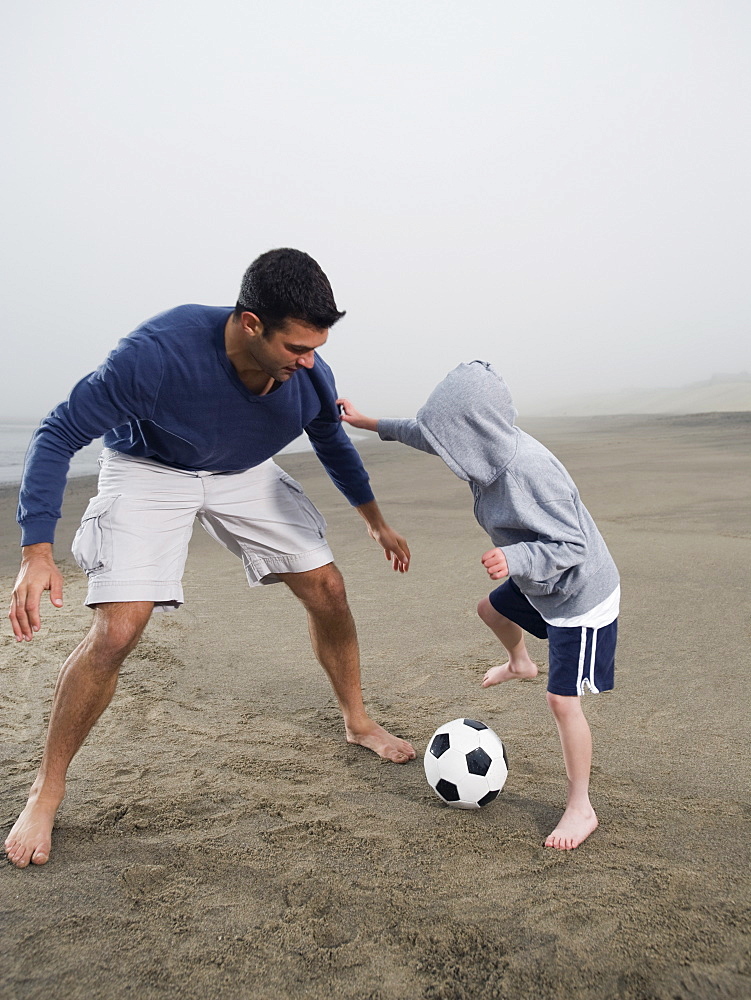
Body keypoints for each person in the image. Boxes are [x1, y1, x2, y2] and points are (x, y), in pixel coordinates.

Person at [5, 248, 416, 869]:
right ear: (250, 323)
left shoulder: (308, 375)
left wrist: (375, 521)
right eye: (297, 348)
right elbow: (58, 431)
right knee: (118, 630)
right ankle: (47, 788)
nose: (310, 363)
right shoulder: (155, 356)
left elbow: (331, 441)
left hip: (241, 470)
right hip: (150, 469)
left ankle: (358, 721)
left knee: (328, 588)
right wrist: (37, 550)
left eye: (316, 348)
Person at [338, 360, 620, 850]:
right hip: (540, 585)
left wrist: (515, 556)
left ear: (475, 432)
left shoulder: (528, 471)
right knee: (489, 610)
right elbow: (425, 433)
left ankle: (581, 807)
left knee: (562, 701)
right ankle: (520, 662)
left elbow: (573, 546)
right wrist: (370, 424)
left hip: (579, 595)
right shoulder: (480, 447)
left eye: (451, 439)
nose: (445, 451)